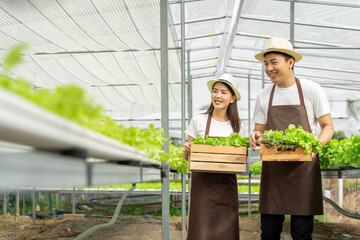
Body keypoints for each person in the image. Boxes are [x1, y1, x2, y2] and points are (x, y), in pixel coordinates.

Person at [250, 37, 334, 240]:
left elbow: (328, 127)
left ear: (290, 62)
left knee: (302, 233)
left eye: (274, 62)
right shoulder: (263, 95)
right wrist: (255, 136)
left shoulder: (310, 89)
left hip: (303, 171)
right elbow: (259, 131)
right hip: (274, 172)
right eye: (266, 63)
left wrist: (314, 148)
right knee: (269, 233)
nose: (269, 68)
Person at [183, 73, 247, 240]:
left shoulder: (239, 127)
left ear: (232, 98)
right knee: (201, 233)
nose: (218, 96)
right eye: (215, 91)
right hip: (202, 189)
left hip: (226, 188)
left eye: (223, 92)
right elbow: (188, 157)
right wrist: (187, 151)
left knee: (226, 233)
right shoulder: (198, 120)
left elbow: (240, 158)